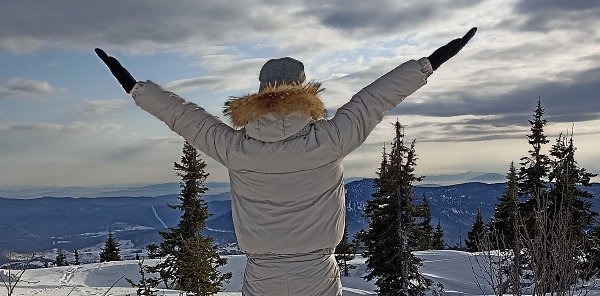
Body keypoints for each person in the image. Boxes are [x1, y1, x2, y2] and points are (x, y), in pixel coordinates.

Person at [95, 27, 476, 296]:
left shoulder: (235, 148)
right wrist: (429, 63)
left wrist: (135, 87)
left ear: (260, 93)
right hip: (318, 273)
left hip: (262, 275)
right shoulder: (331, 139)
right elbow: (375, 98)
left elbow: (182, 115)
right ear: (305, 91)